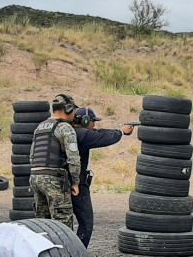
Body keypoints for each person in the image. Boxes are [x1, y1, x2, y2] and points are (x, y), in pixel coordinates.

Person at [71, 107, 134, 247]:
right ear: (85, 120)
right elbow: (101, 137)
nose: (94, 124)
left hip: (63, 181)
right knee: (86, 222)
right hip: (76, 183)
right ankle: (78, 254)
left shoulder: (69, 131)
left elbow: (98, 132)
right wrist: (122, 132)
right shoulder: (81, 135)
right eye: (93, 121)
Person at [29, 94, 81, 230]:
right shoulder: (65, 128)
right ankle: (63, 251)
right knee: (62, 224)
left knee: (42, 224)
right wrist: (75, 182)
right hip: (54, 179)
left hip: (35, 178)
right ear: (68, 108)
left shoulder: (40, 127)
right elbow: (74, 159)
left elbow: (32, 156)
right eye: (73, 109)